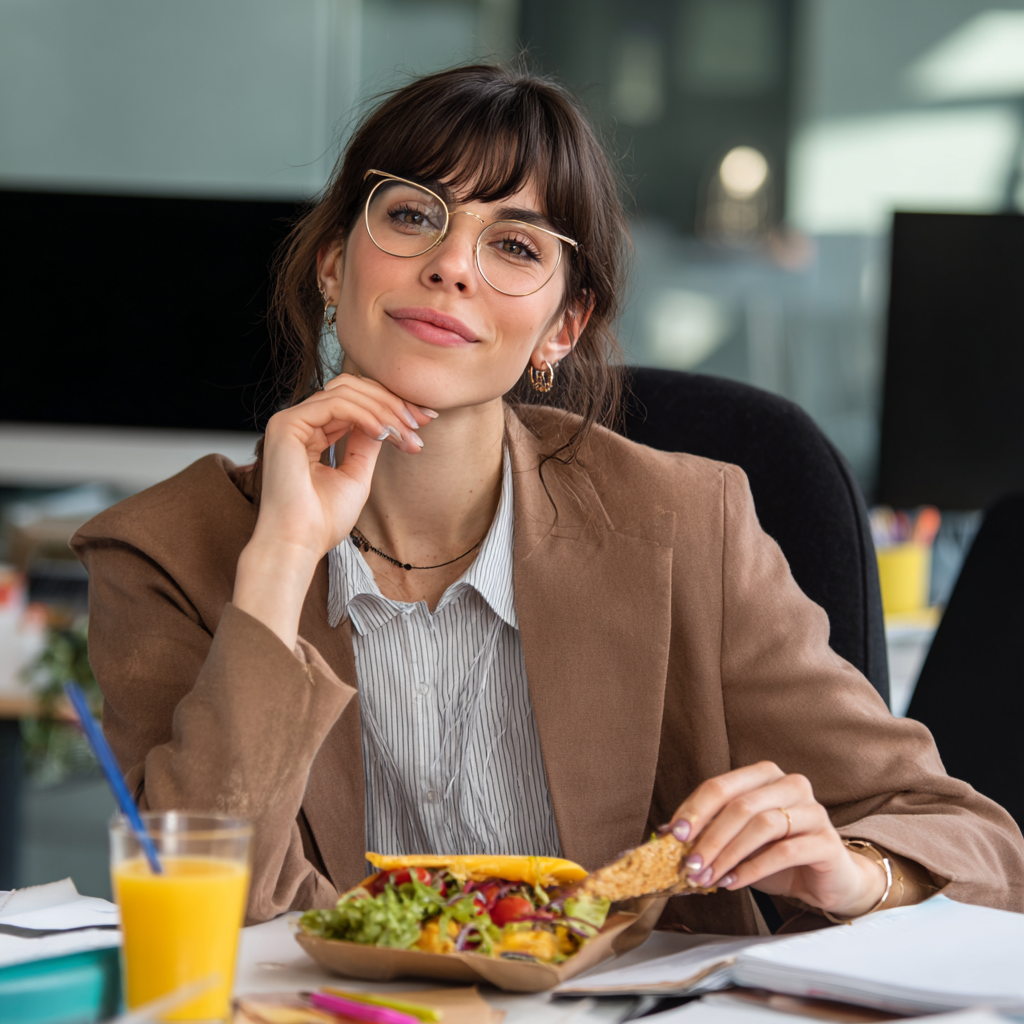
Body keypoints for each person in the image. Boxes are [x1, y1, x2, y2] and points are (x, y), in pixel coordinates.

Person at [73, 63, 1024, 932]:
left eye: (516, 246)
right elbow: (199, 909)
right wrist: (280, 561)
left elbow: (974, 841)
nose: (450, 266)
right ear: (333, 262)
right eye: (412, 216)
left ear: (563, 326)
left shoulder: (684, 524)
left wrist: (853, 872)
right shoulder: (163, 551)